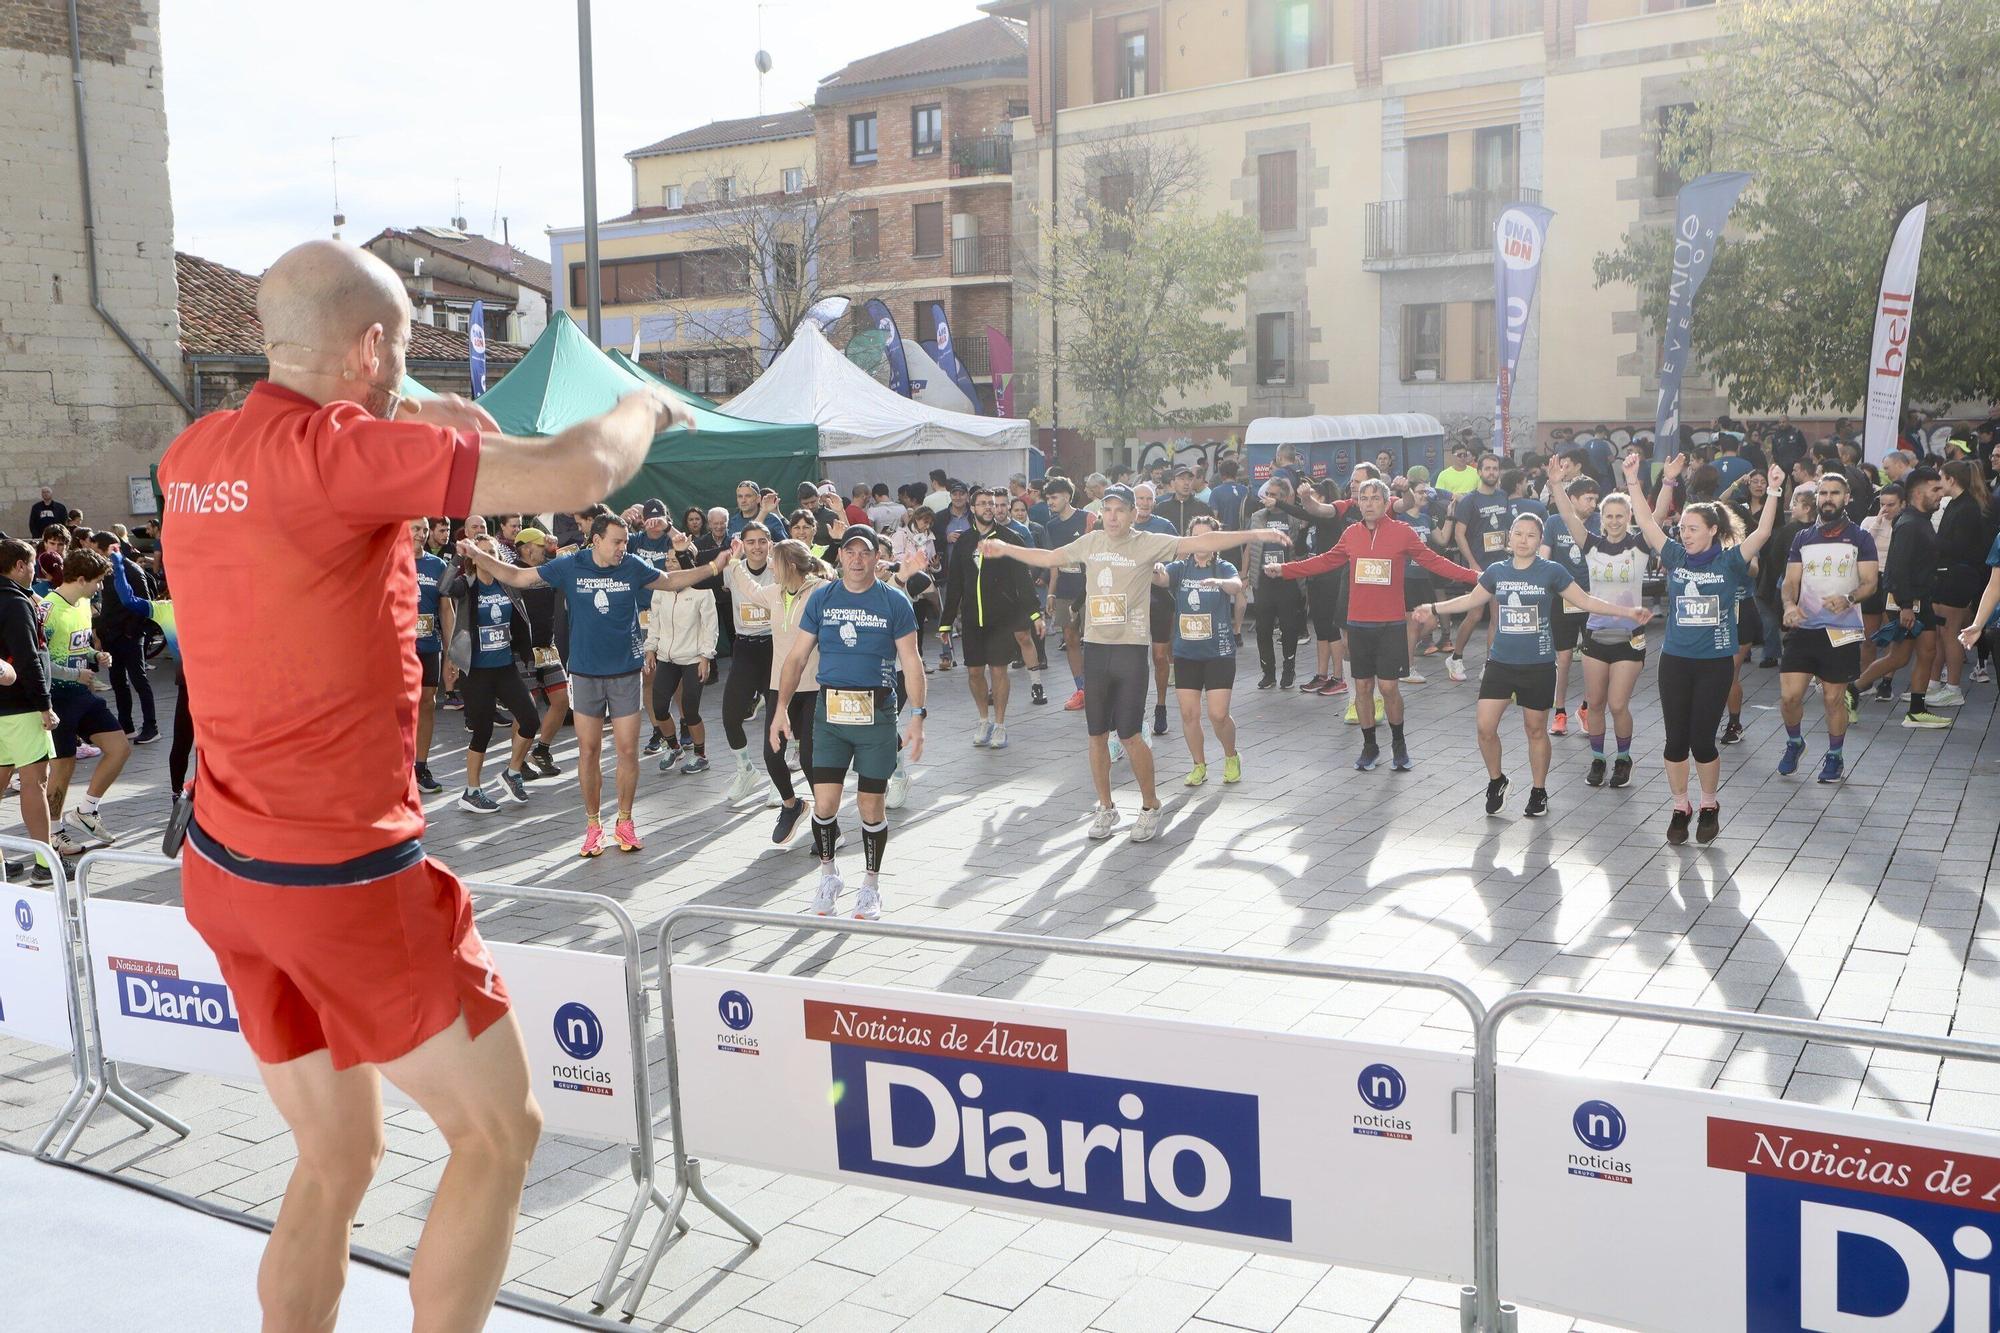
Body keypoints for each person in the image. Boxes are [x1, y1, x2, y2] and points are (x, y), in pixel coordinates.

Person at [156, 239, 700, 1333]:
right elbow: (578, 471)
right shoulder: (342, 453)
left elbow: (329, 417)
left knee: (335, 1153)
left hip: (223, 867)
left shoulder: (193, 453)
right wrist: (646, 405)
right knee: (499, 1135)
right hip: (342, 881)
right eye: (394, 352)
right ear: (367, 350)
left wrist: (403, 394)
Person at [979, 486, 1290, 842]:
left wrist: (1257, 533)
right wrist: (1005, 549)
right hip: (1095, 649)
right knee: (1096, 734)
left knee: (1128, 734)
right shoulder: (1090, 542)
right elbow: (1048, 557)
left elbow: (1208, 540)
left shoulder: (1148, 542)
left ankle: (1149, 805)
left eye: (1120, 510)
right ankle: (1106, 807)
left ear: (1131, 514)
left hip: (1129, 652)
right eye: (1107, 509)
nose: (1112, 516)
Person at [465, 511, 727, 854]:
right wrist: (477, 554)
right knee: (588, 751)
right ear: (597, 541)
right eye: (616, 542)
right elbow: (518, 576)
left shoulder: (631, 565)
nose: (622, 547)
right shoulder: (571, 565)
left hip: (625, 673)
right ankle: (592, 825)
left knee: (627, 750)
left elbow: (670, 580)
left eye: (624, 541)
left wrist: (714, 567)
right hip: (586, 674)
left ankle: (625, 821)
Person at [1416, 514, 1649, 816]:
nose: (1524, 540)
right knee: (1485, 728)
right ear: (1509, 539)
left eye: (1531, 535)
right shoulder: (1496, 572)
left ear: (1540, 541)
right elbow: (1470, 600)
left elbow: (1587, 601)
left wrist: (1628, 612)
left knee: (1535, 730)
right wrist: (1432, 607)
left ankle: (1539, 791)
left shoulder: (1551, 571)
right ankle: (1497, 780)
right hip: (1500, 662)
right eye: (1519, 534)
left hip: (1538, 665)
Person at [1625, 456, 1786, 843]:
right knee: (1675, 741)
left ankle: (1709, 803)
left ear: (1713, 530)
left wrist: (1777, 489)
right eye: (1682, 528)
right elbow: (1647, 524)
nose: (1685, 534)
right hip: (1676, 661)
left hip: (1714, 663)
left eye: (1692, 529)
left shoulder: (1731, 562)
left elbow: (1763, 533)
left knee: (1702, 741)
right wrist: (1633, 479)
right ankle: (1681, 805)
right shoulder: (1676, 557)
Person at [1269, 477, 1479, 772]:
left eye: (1375, 498)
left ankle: (1398, 743)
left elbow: (1435, 561)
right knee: (1363, 687)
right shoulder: (1351, 534)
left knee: (1390, 688)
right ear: (1358, 503)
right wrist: (1285, 570)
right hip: (1358, 624)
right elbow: (1325, 561)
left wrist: (1475, 577)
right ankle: (1369, 746)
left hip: (1391, 624)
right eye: (1364, 498)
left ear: (1386, 503)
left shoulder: (1402, 533)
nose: (1368, 503)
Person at [771, 525, 926, 920]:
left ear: (877, 557)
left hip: (876, 714)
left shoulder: (894, 602)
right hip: (831, 713)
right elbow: (797, 657)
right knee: (825, 804)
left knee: (871, 805)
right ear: (839, 556)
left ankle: (870, 886)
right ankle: (829, 876)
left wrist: (918, 718)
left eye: (865, 552)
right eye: (850, 552)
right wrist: (781, 708)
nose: (857, 559)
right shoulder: (822, 598)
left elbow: (912, 661)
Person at [1546, 458, 1649, 789]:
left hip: (1629, 638)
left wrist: (1654, 482)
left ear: (1629, 518)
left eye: (1621, 516)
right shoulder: (1591, 546)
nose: (1615, 521)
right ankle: (1598, 759)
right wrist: (1556, 484)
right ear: (1601, 519)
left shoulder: (1639, 546)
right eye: (1609, 516)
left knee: (1618, 704)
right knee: (1597, 705)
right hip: (1596, 634)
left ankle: (1623, 758)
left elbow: (1655, 516)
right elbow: (1566, 515)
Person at [1775, 474, 1878, 783]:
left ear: (1846, 498)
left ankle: (1835, 755)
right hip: (1804, 629)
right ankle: (1795, 742)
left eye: (1835, 493)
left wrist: (1848, 598)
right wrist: (1790, 607)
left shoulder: (1860, 537)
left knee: (1833, 699)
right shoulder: (1802, 538)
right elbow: (1790, 582)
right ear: (1816, 498)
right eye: (1823, 493)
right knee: (1790, 697)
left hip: (1841, 631)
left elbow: (1870, 583)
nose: (1828, 498)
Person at [726, 538, 829, 845]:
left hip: (814, 686)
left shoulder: (821, 591)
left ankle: (826, 822)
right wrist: (734, 561)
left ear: (791, 566)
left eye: (775, 561)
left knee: (810, 759)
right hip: (780, 688)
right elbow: (749, 588)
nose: (769, 565)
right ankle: (791, 805)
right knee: (772, 755)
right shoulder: (773, 592)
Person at [440, 536, 542, 813]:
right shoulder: (467, 585)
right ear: (474, 558)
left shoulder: (506, 583)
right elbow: (444, 588)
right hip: (476, 671)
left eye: (492, 552)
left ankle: (513, 773)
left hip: (505, 666)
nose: (487, 556)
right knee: (482, 731)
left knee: (531, 720)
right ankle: (472, 791)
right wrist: (458, 557)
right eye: (482, 553)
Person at [40, 548, 132, 853]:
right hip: (57, 698)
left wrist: (95, 655)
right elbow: (39, 661)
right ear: (80, 579)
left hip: (83, 693)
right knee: (63, 766)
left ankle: (87, 811)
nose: (100, 588)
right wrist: (72, 673)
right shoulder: (48, 609)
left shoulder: (83, 603)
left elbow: (76, 646)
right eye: (97, 581)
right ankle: (54, 831)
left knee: (119, 748)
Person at [942, 488, 1043, 749]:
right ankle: (983, 719)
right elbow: (954, 584)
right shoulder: (964, 542)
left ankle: (1000, 724)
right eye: (983, 504)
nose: (989, 507)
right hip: (973, 620)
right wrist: (946, 621)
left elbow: (1024, 579)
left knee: (999, 670)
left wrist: (1034, 613)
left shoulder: (1011, 539)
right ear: (972, 509)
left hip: (1002, 619)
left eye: (993, 503)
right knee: (974, 672)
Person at [1851, 466, 1949, 728]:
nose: (1941, 494)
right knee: (1899, 657)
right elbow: (1897, 569)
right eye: (1936, 489)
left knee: (1927, 651)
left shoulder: (1920, 519)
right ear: (1918, 492)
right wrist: (1906, 606)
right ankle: (1851, 691)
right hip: (1907, 601)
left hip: (1919, 599)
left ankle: (1916, 710)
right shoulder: (1909, 524)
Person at [1157, 517, 1244, 786]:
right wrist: (1155, 567)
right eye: (1195, 537)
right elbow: (1161, 579)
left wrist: (1218, 582)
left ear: (1217, 540)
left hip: (1218, 651)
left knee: (1218, 715)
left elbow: (1237, 587)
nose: (1201, 542)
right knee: (1188, 714)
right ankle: (1199, 764)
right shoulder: (1181, 568)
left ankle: (1231, 755)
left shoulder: (1224, 566)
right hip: (1186, 653)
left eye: (1207, 537)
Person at [641, 524, 720, 775]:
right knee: (660, 706)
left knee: (691, 708)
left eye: (675, 559)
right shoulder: (659, 589)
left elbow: (711, 627)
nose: (670, 563)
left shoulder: (702, 592)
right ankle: (674, 747)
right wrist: (650, 648)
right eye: (667, 559)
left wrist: (706, 657)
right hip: (667, 657)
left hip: (693, 659)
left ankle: (700, 755)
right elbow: (655, 621)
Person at [0, 538, 57, 883]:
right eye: (32, 564)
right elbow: (28, 657)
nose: (35, 571)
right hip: (20, 708)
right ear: (19, 566)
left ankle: (3, 863)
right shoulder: (14, 602)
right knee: (34, 784)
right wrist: (45, 705)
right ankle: (45, 865)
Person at [506, 527, 569, 781]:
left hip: (547, 647)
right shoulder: (513, 572)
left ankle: (542, 750)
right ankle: (517, 762)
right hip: (523, 650)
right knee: (526, 710)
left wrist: (554, 551)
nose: (544, 551)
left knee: (562, 700)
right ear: (527, 547)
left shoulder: (547, 568)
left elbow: (566, 564)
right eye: (541, 547)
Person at [1928, 460, 1992, 708]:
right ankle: (1934, 683)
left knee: (1951, 633)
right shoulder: (1957, 504)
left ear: (1951, 480)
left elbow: (1959, 546)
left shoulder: (1966, 508)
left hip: (1958, 576)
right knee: (1941, 632)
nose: (1938, 483)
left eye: (1941, 478)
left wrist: (1931, 542)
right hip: (1949, 574)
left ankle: (1953, 687)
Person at [1539, 472, 1597, 737]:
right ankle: (1559, 711)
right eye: (1588, 499)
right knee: (1563, 658)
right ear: (1571, 499)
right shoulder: (1553, 522)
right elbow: (1544, 557)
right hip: (1562, 599)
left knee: (1592, 658)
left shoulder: (1599, 521)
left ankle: (1586, 708)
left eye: (1596, 499)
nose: (1593, 504)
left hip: (1593, 599)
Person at [1447, 453, 1512, 683]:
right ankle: (1455, 657)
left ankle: (1489, 664)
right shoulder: (1469, 501)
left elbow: (1506, 530)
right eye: (1488, 469)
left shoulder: (1504, 496)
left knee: (1496, 616)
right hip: (1477, 568)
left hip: (1500, 565)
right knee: (1474, 614)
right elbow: (1459, 534)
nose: (1492, 472)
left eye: (1495, 469)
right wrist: (1473, 564)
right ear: (1479, 472)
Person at [1245, 478, 1311, 689]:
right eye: (1268, 494)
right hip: (1263, 581)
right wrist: (1244, 574)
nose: (1271, 499)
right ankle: (1268, 673)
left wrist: (1301, 530)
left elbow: (1300, 549)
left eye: (1276, 495)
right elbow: (1249, 546)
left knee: (1289, 629)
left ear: (1284, 498)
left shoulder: (1293, 517)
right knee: (1263, 629)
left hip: (1287, 581)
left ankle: (1289, 670)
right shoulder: (1257, 517)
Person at [1040, 477, 1094, 708]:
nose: (1050, 502)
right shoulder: (1051, 526)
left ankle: (1098, 687)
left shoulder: (1087, 518)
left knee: (1093, 640)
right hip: (1064, 590)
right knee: (1070, 638)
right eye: (1047, 498)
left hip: (1089, 588)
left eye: (1054, 497)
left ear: (1066, 496)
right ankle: (1081, 689)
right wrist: (1051, 593)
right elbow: (1054, 562)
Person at [409, 519, 449, 795]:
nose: (421, 535)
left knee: (427, 703)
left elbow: (446, 611)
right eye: (416, 529)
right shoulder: (389, 560)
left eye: (424, 530)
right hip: (399, 649)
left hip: (429, 646)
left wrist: (451, 654)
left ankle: (420, 766)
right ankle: (397, 767)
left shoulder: (438, 566)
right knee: (399, 708)